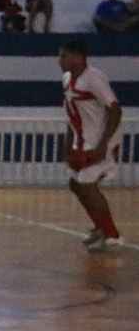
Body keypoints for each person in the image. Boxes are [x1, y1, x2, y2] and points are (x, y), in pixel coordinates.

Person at [59, 40, 124, 251]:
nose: (59, 60)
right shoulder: (67, 79)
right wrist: (68, 144)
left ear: (78, 57)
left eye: (63, 56)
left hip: (99, 140)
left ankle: (112, 236)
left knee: (87, 184)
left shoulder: (94, 79)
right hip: (82, 140)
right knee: (75, 184)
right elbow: (71, 114)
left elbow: (115, 110)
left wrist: (104, 145)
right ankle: (100, 228)